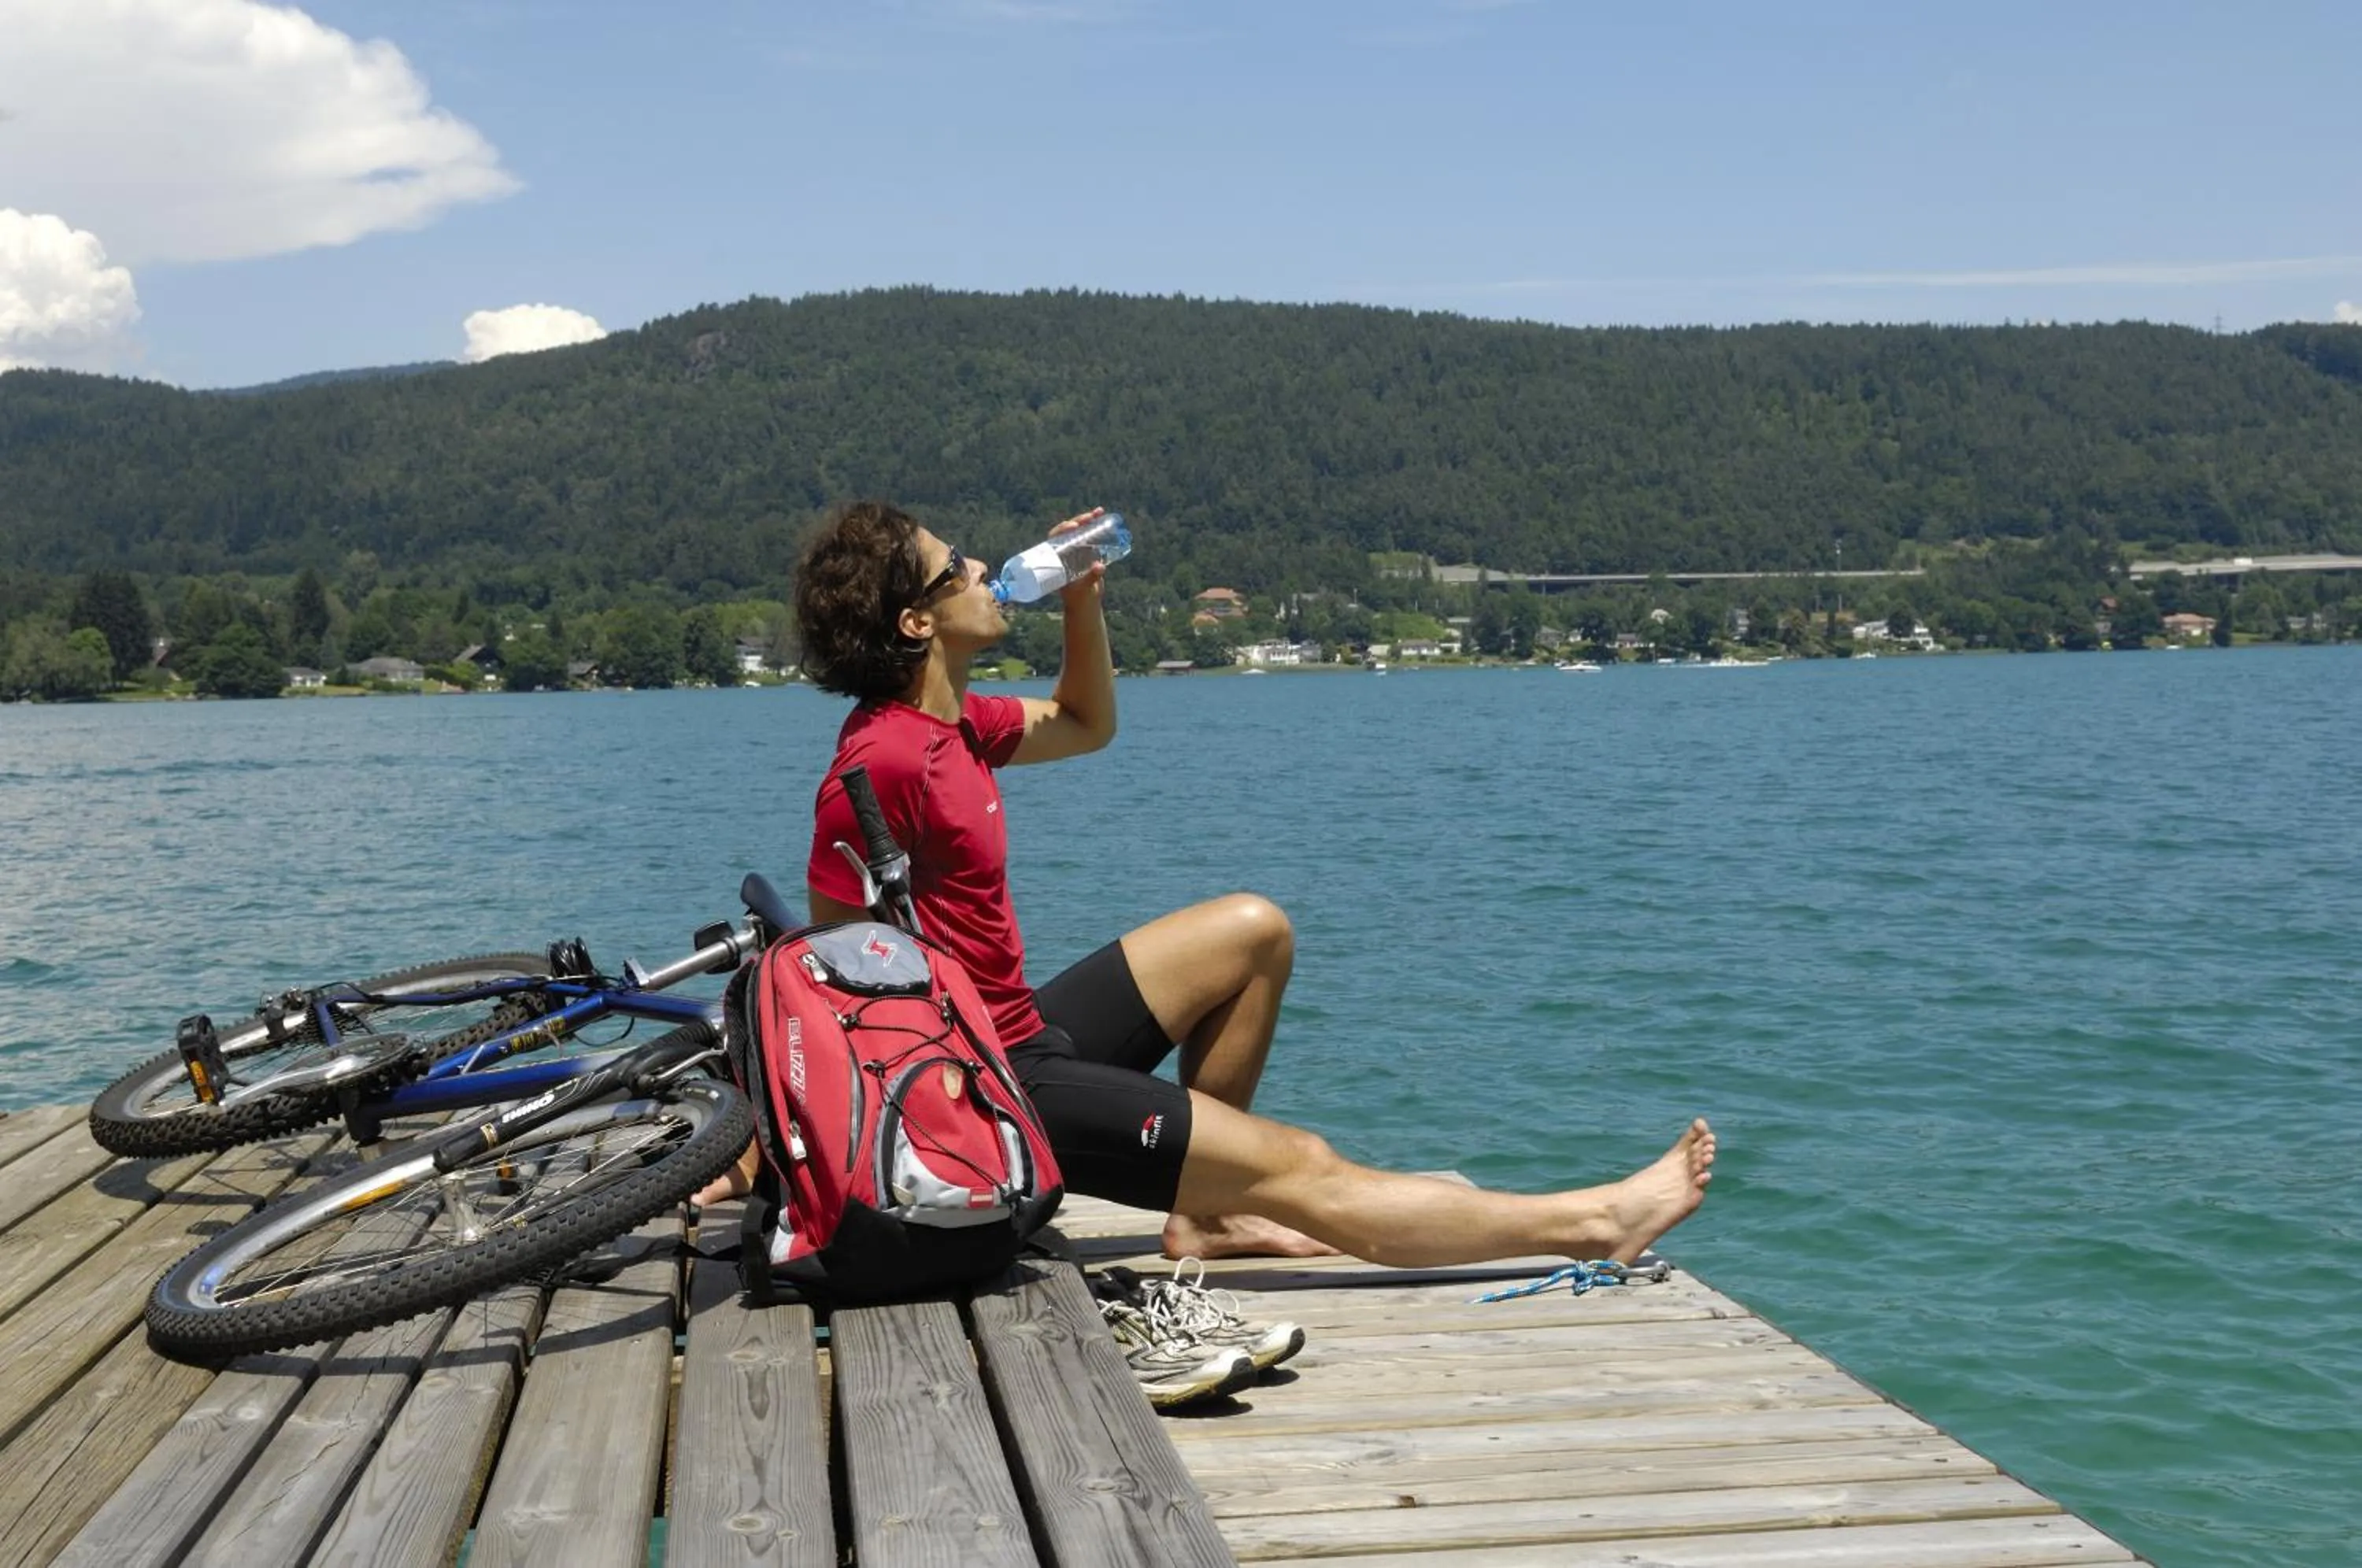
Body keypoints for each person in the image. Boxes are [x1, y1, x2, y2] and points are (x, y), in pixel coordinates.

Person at [698, 499, 1715, 1283]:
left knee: (1252, 930)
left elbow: (1087, 722)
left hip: (1021, 1028)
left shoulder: (957, 727)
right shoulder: (877, 770)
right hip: (992, 1086)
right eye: (954, 566)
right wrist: (763, 1153)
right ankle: (1594, 1223)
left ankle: (1205, 1213)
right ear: (919, 619)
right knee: (1303, 1166)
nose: (981, 569)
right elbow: (836, 986)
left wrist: (1085, 597)